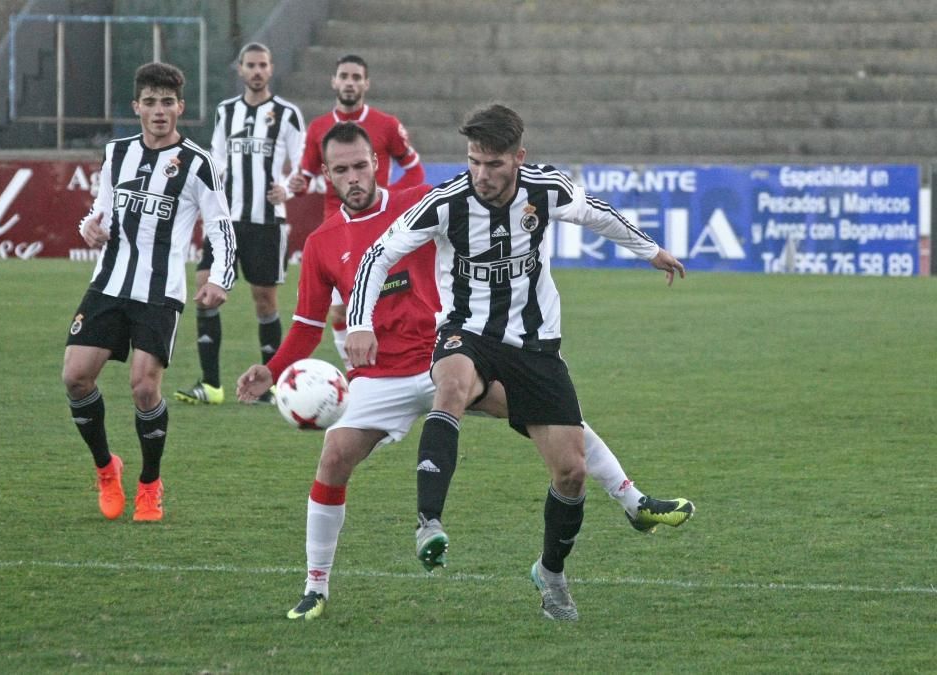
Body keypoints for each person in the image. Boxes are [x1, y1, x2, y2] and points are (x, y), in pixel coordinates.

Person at [237, 122, 692, 622]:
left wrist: (650, 250)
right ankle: (317, 585)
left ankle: (631, 500)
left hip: (452, 350)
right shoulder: (324, 242)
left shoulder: (422, 198)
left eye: (361, 165)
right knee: (333, 458)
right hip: (386, 374)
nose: (353, 177)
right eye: (341, 170)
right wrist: (274, 368)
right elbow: (306, 323)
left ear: (376, 163)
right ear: (327, 175)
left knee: (563, 433)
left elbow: (589, 211)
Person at [62, 62, 236, 522]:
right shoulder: (117, 153)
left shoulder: (198, 163)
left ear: (180, 107)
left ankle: (149, 484)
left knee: (143, 387)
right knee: (76, 377)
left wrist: (221, 278)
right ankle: (106, 468)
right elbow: (99, 213)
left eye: (167, 103)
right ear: (137, 106)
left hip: (161, 292)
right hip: (109, 283)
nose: (159, 111)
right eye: (150, 102)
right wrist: (89, 231)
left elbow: (222, 228)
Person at [175, 42, 305, 406]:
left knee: (264, 301)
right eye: (251, 65)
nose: (257, 71)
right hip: (225, 221)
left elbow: (302, 164)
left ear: (271, 68)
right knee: (204, 289)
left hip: (266, 221)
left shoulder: (287, 113)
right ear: (241, 70)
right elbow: (216, 160)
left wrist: (287, 189)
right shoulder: (225, 112)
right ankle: (212, 386)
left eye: (263, 64)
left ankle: (271, 386)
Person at [287, 54, 424, 369]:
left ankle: (405, 368)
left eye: (356, 77)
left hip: (382, 227)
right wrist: (297, 182)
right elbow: (306, 175)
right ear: (334, 81)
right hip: (337, 231)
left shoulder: (387, 124)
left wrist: (396, 203)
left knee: (391, 301)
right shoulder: (319, 128)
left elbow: (414, 169)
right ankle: (355, 372)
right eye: (344, 76)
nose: (350, 82)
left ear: (366, 83)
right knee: (338, 311)